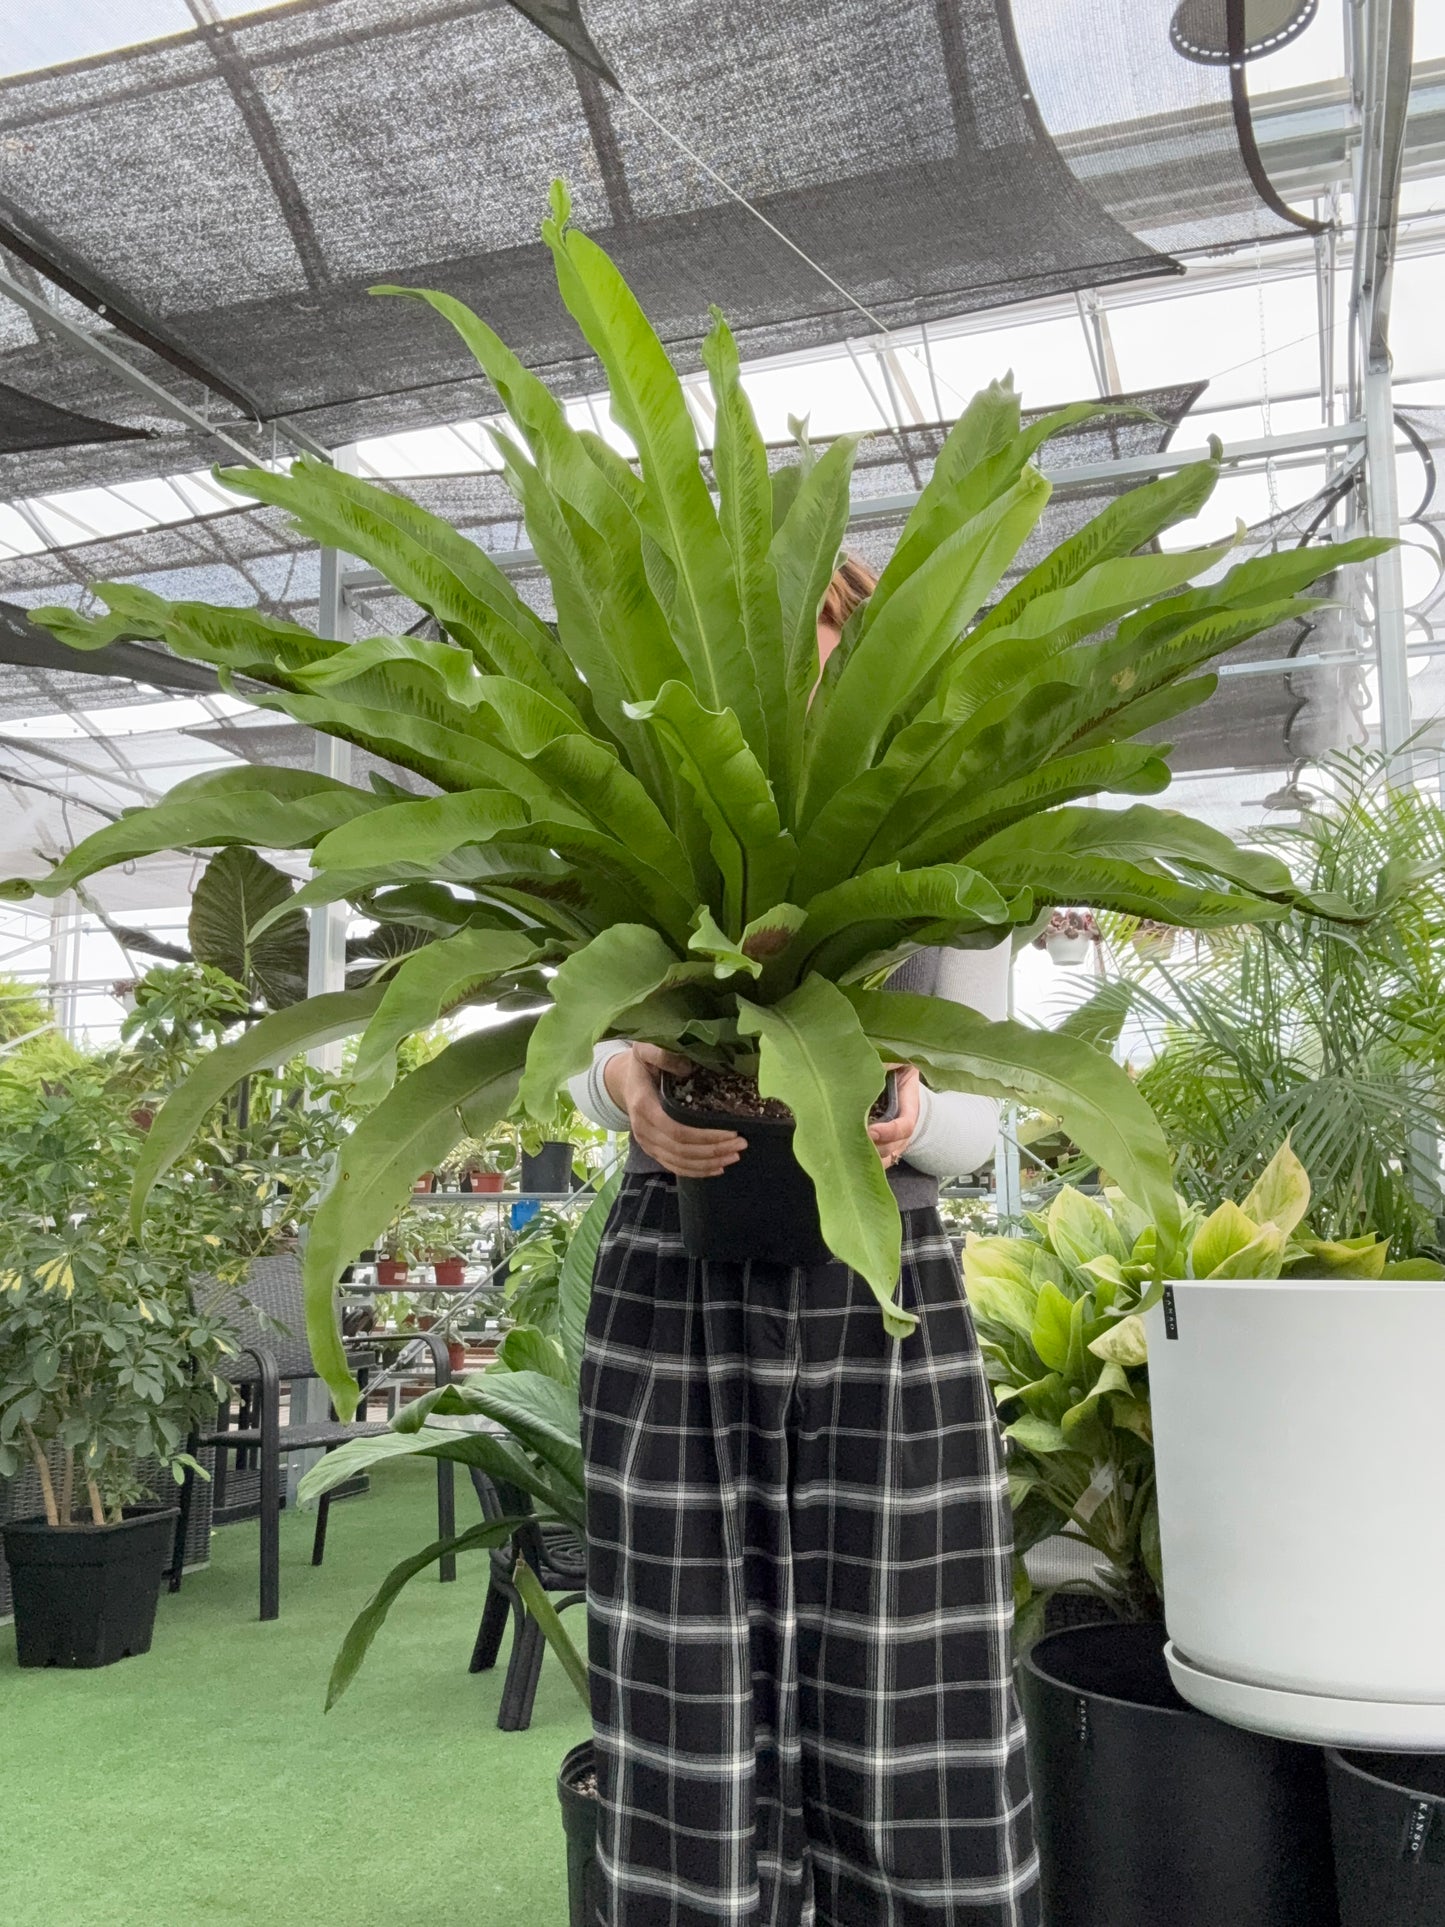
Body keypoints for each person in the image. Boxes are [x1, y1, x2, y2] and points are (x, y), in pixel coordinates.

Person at [568, 555, 1039, 1927]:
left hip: (876, 1269)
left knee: (907, 1685)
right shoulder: (658, 785)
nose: (813, 654)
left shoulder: (946, 808)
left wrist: (904, 1105)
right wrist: (630, 1086)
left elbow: (974, 1113)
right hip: (678, 1247)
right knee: (683, 1683)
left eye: (838, 627)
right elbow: (582, 1036)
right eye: (782, 632)